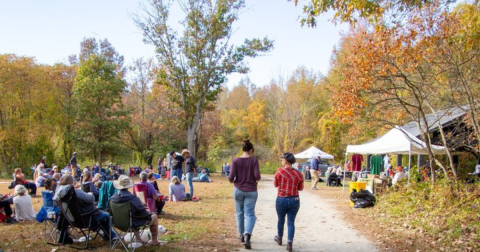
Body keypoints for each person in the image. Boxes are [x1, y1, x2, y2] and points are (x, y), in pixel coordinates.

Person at [53, 175, 117, 241]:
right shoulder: (74, 192)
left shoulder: (58, 193)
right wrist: (90, 194)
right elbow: (91, 199)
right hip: (86, 218)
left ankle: (103, 232)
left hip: (71, 220)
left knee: (100, 216)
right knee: (106, 216)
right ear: (69, 182)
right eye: (73, 182)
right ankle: (109, 236)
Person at [228, 139, 261, 250]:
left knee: (239, 213)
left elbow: (231, 177)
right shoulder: (254, 161)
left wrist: (235, 180)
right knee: (250, 214)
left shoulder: (235, 160)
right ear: (251, 150)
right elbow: (257, 177)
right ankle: (247, 235)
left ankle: (241, 235)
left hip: (238, 190)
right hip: (251, 190)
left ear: (242, 149)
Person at [109, 175, 161, 246]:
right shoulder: (133, 199)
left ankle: (138, 239)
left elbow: (110, 212)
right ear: (128, 186)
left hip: (117, 223)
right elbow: (144, 214)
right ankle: (154, 241)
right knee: (154, 216)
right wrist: (148, 213)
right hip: (132, 224)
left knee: (133, 216)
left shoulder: (112, 199)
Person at [274, 152, 304, 252]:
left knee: (280, 219)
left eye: (282, 159)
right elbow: (301, 188)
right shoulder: (298, 173)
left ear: (286, 161)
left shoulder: (279, 171)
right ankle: (289, 243)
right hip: (294, 199)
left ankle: (279, 237)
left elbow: (275, 185)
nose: (281, 161)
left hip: (281, 199)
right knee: (291, 222)